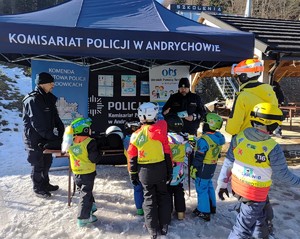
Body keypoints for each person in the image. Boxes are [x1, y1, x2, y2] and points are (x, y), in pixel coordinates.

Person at [217, 103, 300, 239]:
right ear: (271, 125)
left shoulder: (239, 137)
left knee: (261, 216)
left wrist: (222, 184)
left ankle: (262, 235)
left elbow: (228, 162)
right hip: (254, 194)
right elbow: (282, 175)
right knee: (241, 229)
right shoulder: (272, 147)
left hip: (238, 187)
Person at [127, 102, 173, 239]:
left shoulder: (135, 135)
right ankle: (164, 225)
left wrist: (133, 174)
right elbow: (167, 153)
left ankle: (152, 229)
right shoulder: (161, 130)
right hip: (160, 169)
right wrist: (169, 170)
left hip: (144, 172)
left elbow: (132, 156)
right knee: (163, 196)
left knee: (149, 198)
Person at [22, 72, 64, 198]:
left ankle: (45, 183)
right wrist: (53, 138)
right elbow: (38, 125)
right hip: (34, 138)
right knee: (38, 163)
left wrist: (62, 131)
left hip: (46, 136)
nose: (53, 85)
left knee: (47, 160)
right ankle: (38, 187)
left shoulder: (48, 98)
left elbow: (55, 117)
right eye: (50, 83)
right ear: (42, 84)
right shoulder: (32, 100)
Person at [66, 117, 103, 227]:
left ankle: (91, 206)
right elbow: (94, 158)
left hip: (76, 173)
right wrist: (100, 153)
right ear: (85, 129)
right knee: (86, 193)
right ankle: (83, 218)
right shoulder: (89, 142)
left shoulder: (70, 142)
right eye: (89, 128)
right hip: (87, 172)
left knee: (83, 192)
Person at [226, 59, 278, 136]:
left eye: (238, 76)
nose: (237, 79)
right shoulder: (271, 93)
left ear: (244, 76)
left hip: (244, 139)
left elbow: (233, 128)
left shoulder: (242, 97)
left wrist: (228, 128)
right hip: (264, 138)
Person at [190, 113, 225, 222]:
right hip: (212, 165)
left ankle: (204, 211)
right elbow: (216, 152)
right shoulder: (218, 138)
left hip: (203, 166)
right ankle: (211, 206)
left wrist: (194, 168)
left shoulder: (204, 140)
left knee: (201, 187)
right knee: (208, 184)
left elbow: (200, 156)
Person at [165, 114, 192, 221]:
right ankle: (181, 213)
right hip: (180, 172)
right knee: (179, 191)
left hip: (167, 171)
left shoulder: (165, 138)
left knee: (167, 192)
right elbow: (189, 151)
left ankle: (168, 211)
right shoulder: (184, 139)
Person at [123, 119, 144, 216]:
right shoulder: (134, 138)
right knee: (144, 188)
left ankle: (140, 209)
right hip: (142, 165)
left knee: (137, 188)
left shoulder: (126, 139)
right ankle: (145, 208)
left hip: (131, 166)